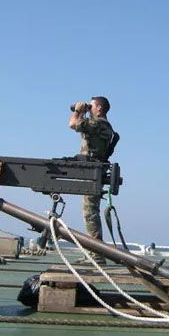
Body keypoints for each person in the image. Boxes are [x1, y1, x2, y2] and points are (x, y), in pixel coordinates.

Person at [68, 96, 116, 264]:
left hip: (93, 172)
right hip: (92, 170)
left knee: (90, 213)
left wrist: (78, 111)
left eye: (92, 106)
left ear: (100, 109)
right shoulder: (99, 125)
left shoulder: (100, 124)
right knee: (90, 212)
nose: (90, 108)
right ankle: (94, 252)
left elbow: (73, 124)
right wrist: (83, 111)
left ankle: (96, 254)